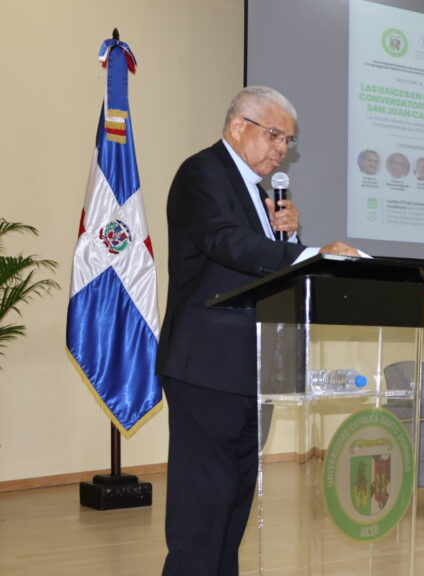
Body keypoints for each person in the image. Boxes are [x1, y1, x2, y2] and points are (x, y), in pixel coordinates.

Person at [156, 86, 359, 576]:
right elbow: (226, 244)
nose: (281, 148)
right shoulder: (201, 173)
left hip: (251, 366)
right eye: (274, 135)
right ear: (238, 126)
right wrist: (311, 255)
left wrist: (289, 238)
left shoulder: (260, 195)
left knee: (231, 507)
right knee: (201, 512)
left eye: (287, 140)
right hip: (207, 364)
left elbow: (264, 266)